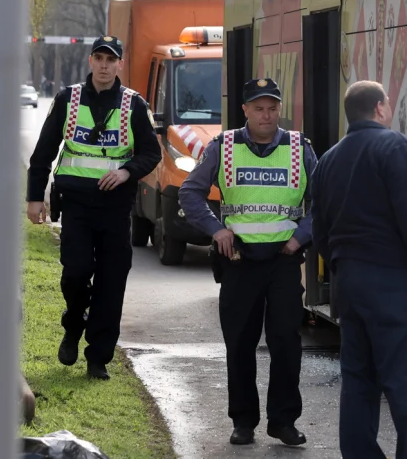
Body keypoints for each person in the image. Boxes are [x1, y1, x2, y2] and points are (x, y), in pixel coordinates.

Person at [313, 80, 407, 459]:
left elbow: (320, 229)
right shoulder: (396, 147)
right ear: (379, 108)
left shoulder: (327, 160)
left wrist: (346, 262)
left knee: (359, 378)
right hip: (392, 283)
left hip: (349, 284)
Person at [178, 78, 316, 446]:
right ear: (245, 111)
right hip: (238, 261)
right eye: (259, 108)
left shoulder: (300, 148)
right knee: (240, 343)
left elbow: (324, 201)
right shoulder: (222, 147)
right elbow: (190, 192)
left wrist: (301, 236)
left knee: (286, 341)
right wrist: (214, 230)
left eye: (272, 108)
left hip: (284, 261)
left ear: (280, 109)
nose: (266, 115)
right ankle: (243, 421)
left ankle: (283, 422)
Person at [26, 36, 161, 380]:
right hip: (77, 205)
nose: (104, 65)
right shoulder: (68, 99)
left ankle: (97, 357)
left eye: (110, 59)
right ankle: (74, 324)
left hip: (116, 208)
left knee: (111, 282)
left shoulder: (133, 104)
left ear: (119, 64)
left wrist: (127, 171)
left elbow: (151, 152)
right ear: (90, 61)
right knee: (75, 272)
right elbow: (43, 151)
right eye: (99, 58)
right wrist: (34, 197)